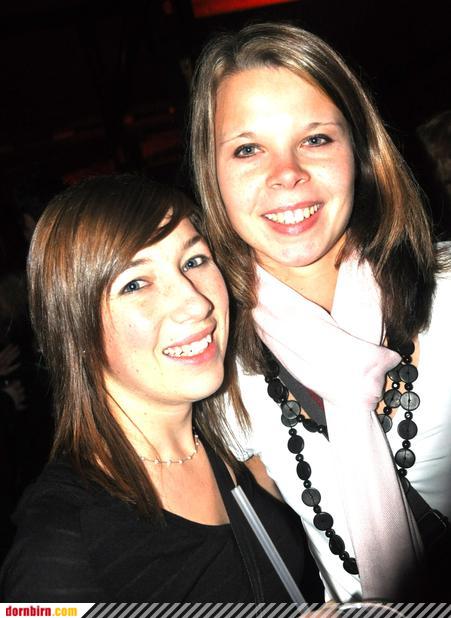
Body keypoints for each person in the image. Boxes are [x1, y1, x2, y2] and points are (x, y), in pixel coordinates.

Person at [188, 22, 451, 603]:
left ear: (360, 151)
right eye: (248, 149)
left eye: (315, 139)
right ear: (212, 173)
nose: (286, 173)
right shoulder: (210, 359)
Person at [0, 173, 324, 603]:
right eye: (136, 284)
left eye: (194, 261)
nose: (196, 302)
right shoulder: (59, 544)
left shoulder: (234, 458)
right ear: (74, 327)